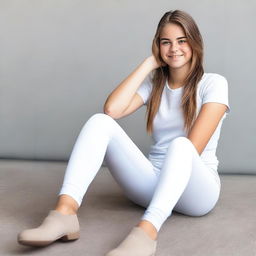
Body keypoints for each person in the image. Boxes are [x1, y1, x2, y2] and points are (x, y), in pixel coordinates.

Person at [17, 9, 230, 256]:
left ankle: (146, 232)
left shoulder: (214, 84)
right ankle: (64, 214)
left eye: (182, 41)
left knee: (181, 145)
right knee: (100, 122)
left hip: (196, 192)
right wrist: (150, 63)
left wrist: (158, 57)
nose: (174, 48)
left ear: (195, 42)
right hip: (151, 184)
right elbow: (112, 109)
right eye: (166, 42)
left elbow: (193, 149)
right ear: (157, 46)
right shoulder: (155, 84)